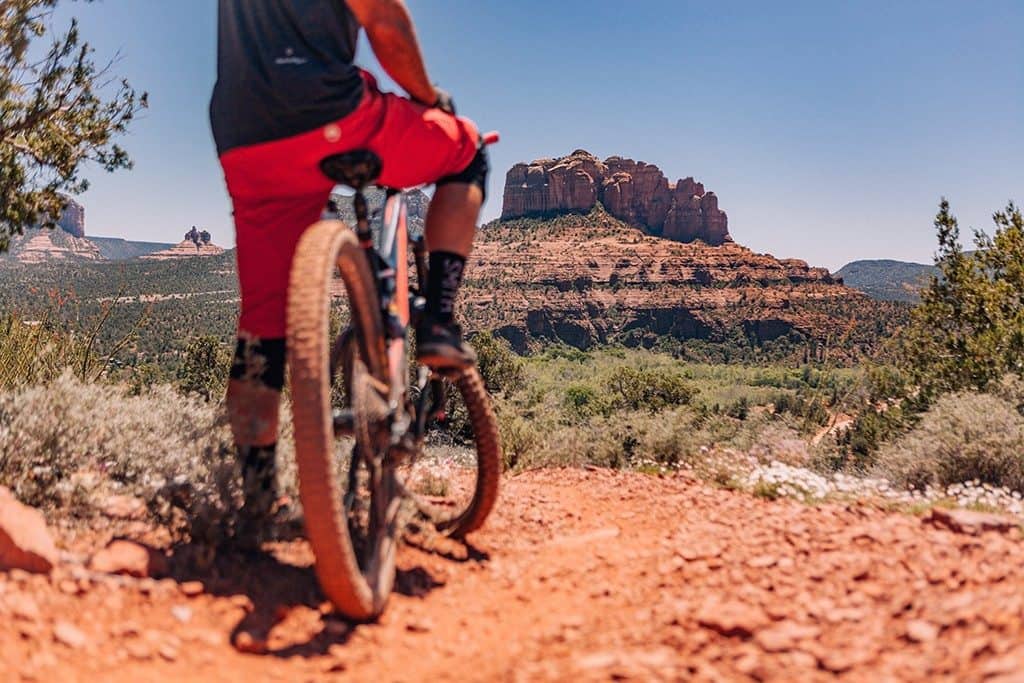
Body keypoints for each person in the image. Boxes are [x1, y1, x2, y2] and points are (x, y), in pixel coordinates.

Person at [209, 0, 489, 526]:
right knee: (468, 151)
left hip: (243, 133)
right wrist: (431, 100)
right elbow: (384, 19)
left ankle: (260, 505)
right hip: (330, 112)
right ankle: (440, 321)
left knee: (262, 330)